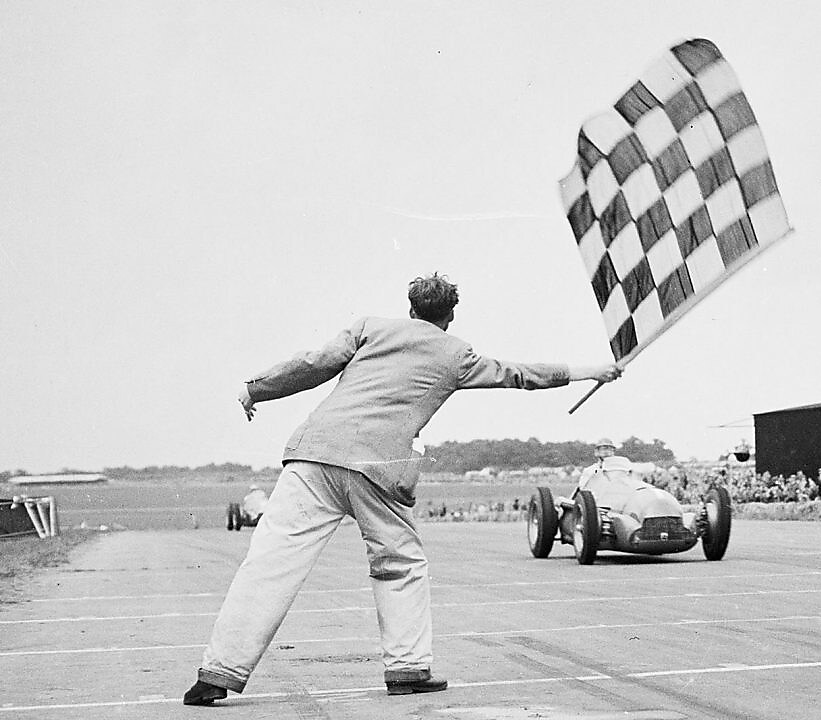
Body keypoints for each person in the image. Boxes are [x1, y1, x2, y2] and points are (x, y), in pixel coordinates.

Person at [183, 273, 621, 705]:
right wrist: (591, 371)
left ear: (410, 308)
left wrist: (255, 389)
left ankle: (217, 674)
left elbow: (312, 365)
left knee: (268, 565)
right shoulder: (457, 353)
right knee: (400, 564)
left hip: (313, 455)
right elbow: (520, 374)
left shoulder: (369, 328)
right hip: (379, 467)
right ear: (449, 316)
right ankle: (407, 668)